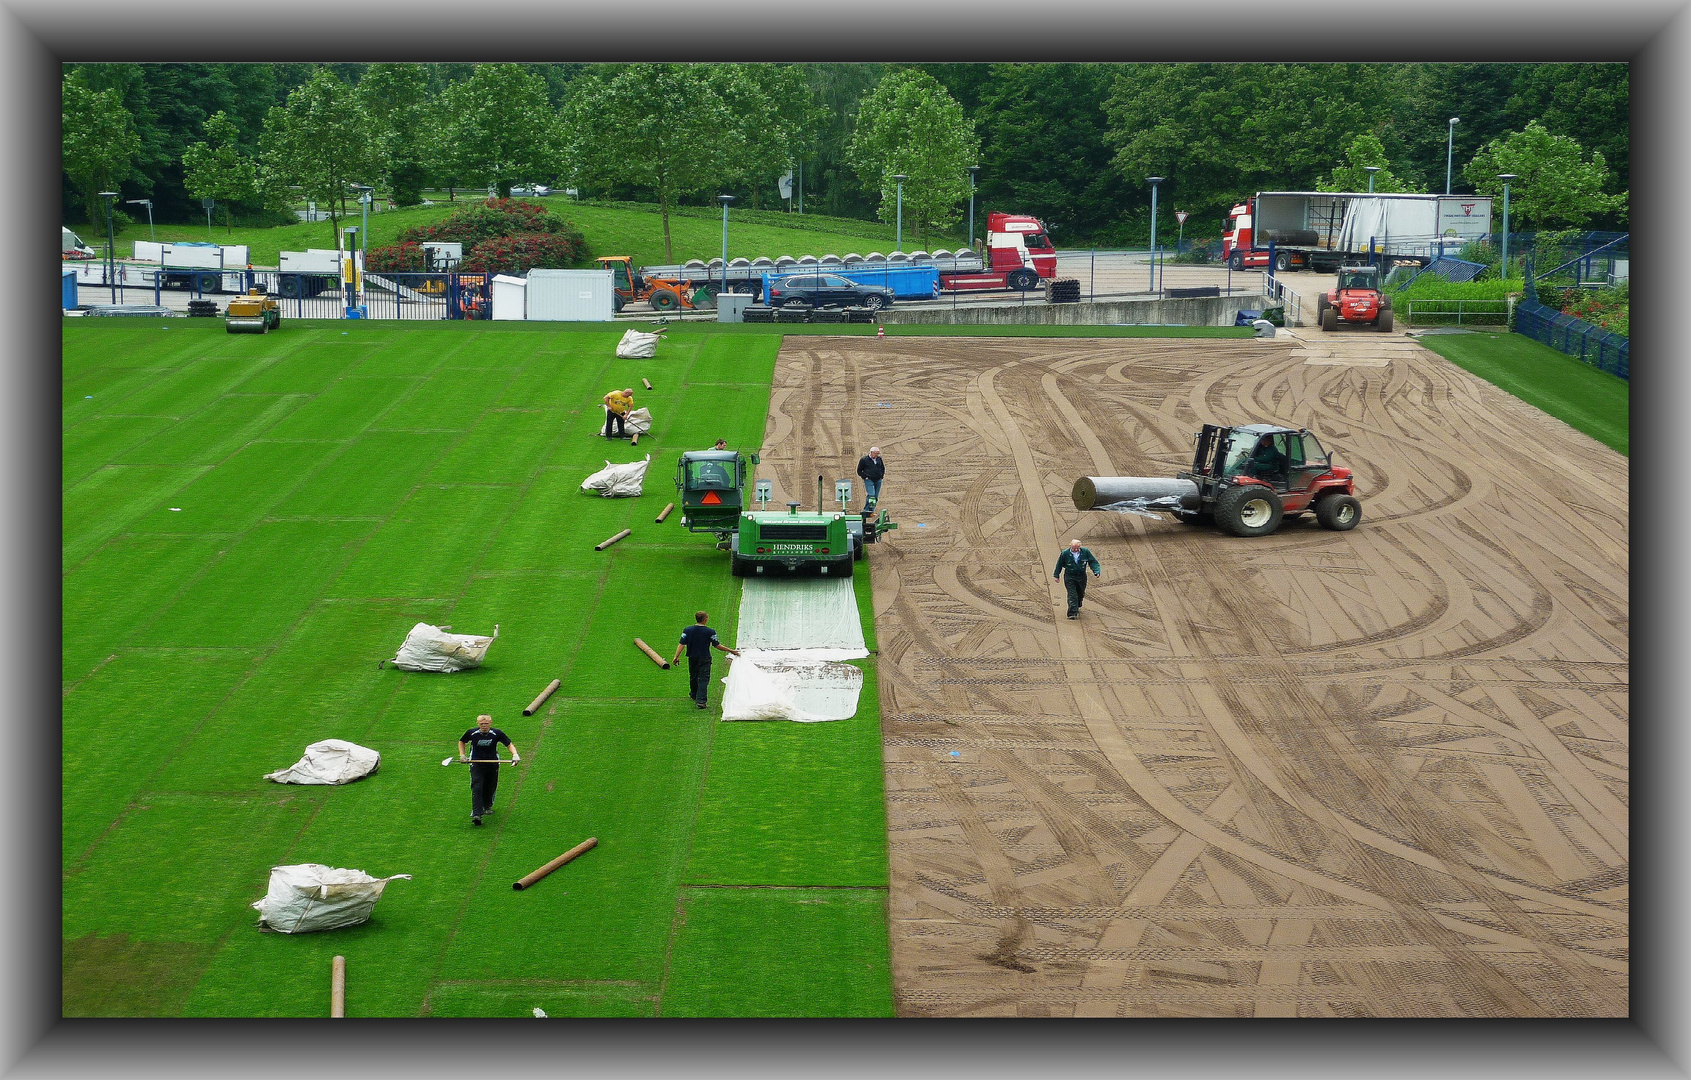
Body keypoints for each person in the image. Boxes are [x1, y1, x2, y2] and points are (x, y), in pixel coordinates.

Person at [671, 610, 741, 710]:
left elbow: (682, 644)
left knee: (693, 676)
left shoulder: (687, 630)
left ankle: (694, 694)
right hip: (705, 658)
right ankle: (701, 701)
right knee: (703, 679)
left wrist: (676, 656)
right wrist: (731, 651)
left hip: (692, 657)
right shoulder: (710, 632)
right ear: (705, 619)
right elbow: (717, 645)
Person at [457, 714, 519, 826]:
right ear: (478, 724)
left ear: (490, 723)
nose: (484, 726)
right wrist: (462, 755)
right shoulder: (472, 733)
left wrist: (515, 755)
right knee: (477, 786)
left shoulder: (496, 733)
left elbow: (508, 744)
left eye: (486, 724)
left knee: (490, 786)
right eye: (481, 724)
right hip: (476, 764)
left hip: (492, 763)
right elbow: (462, 742)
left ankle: (487, 805)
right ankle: (477, 814)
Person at [1052, 539, 1102, 620]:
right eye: (1074, 548)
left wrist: (1096, 571)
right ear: (1070, 546)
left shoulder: (1085, 552)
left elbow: (1093, 562)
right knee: (1072, 595)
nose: (1075, 550)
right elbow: (1059, 564)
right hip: (1070, 576)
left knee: (1080, 593)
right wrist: (1056, 575)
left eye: (1077, 548)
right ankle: (1072, 613)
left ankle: (1078, 604)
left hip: (1082, 576)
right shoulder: (1065, 554)